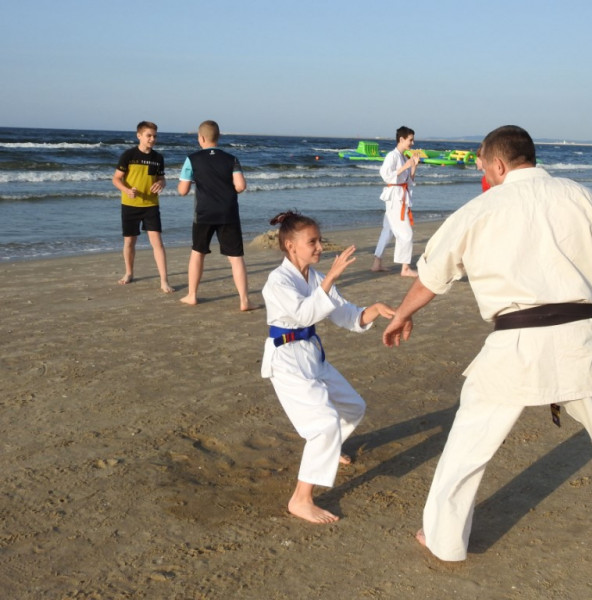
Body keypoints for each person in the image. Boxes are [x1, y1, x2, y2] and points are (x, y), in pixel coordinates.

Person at [383, 125, 592, 561]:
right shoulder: (585, 198)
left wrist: (402, 314)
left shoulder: (477, 211)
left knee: (468, 445)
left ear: (499, 164)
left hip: (515, 344)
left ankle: (444, 540)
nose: (481, 171)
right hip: (581, 339)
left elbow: (431, 276)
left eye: (483, 164)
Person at [261, 211, 395, 523]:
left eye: (319, 240)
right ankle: (300, 499)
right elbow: (304, 314)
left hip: (312, 355)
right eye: (313, 242)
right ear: (291, 246)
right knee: (324, 423)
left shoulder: (316, 278)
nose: (320, 247)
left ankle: (328, 448)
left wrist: (374, 309)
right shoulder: (278, 281)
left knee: (353, 407)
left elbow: (346, 315)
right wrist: (331, 277)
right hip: (287, 361)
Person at [178, 120, 254, 311]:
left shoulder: (192, 159)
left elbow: (182, 190)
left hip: (204, 213)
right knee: (235, 257)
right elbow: (240, 186)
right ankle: (244, 300)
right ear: (218, 137)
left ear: (201, 138)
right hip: (228, 213)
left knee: (198, 253)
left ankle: (192, 295)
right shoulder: (231, 159)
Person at [112, 121, 174, 292]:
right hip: (130, 204)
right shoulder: (129, 155)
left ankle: (164, 280)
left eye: (155, 136)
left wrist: (161, 183)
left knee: (158, 243)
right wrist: (126, 190)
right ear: (139, 136)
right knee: (129, 241)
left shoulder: (158, 158)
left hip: (151, 205)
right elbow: (116, 179)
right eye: (149, 136)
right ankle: (129, 273)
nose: (152, 139)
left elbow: (161, 179)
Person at [371, 126, 420, 277]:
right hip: (395, 197)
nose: (412, 143)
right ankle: (405, 268)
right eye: (410, 140)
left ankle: (377, 263)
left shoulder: (404, 157)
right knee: (406, 233)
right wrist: (405, 166)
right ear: (402, 139)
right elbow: (385, 175)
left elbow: (409, 181)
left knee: (388, 230)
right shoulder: (392, 156)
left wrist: (414, 167)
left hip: (401, 194)